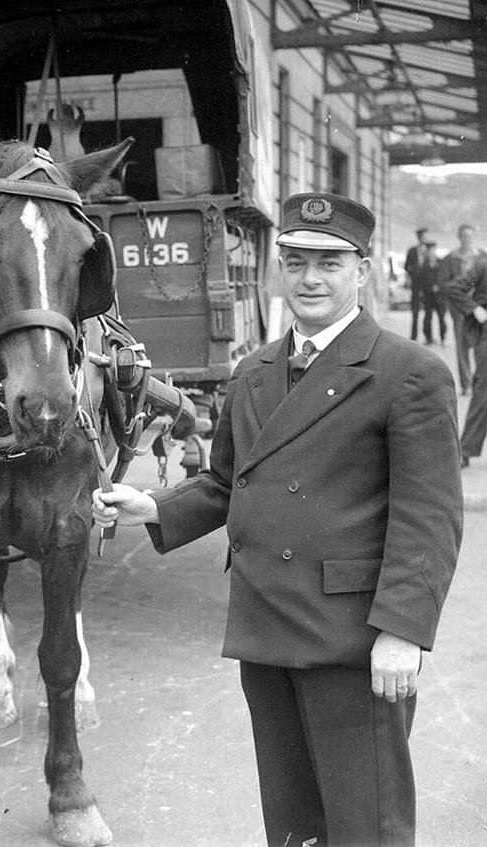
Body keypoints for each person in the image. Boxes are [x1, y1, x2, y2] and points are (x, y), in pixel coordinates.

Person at [93, 193, 463, 847]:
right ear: (277, 270)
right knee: (294, 825)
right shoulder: (255, 370)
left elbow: (428, 517)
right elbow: (224, 480)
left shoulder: (408, 374)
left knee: (365, 824)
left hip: (351, 642)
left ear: (363, 270)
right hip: (266, 631)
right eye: (295, 262)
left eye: (328, 263)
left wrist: (403, 630)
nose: (310, 279)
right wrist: (152, 505)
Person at [443, 240, 487, 467]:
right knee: (483, 392)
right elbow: (454, 288)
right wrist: (475, 309)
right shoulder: (482, 267)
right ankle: (466, 449)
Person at [440, 223, 485, 394]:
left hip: (480, 309)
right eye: (464, 236)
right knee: (462, 346)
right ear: (459, 238)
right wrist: (461, 287)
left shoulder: (482, 257)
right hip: (459, 309)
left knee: (481, 346)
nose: (467, 239)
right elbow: (444, 283)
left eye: (470, 236)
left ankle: (479, 383)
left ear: (474, 237)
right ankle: (466, 384)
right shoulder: (451, 258)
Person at [405, 226, 437, 343]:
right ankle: (413, 337)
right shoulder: (412, 251)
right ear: (418, 238)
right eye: (421, 237)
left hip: (427, 286)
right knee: (415, 312)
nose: (423, 239)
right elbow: (406, 266)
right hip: (416, 285)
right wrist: (413, 273)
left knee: (428, 312)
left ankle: (428, 337)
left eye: (424, 237)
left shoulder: (430, 250)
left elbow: (434, 266)